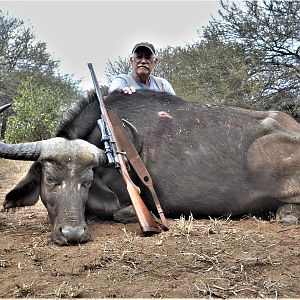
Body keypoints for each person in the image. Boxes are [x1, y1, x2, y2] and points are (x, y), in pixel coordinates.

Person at [108, 42, 176, 95]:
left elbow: (175, 106)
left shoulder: (162, 84)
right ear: (131, 61)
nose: (143, 61)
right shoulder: (123, 80)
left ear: (155, 62)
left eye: (148, 57)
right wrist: (121, 92)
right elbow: (113, 92)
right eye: (139, 57)